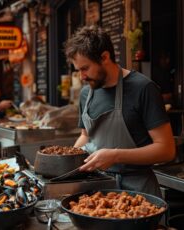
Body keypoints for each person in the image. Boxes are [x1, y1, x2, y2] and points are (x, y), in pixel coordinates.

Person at [66, 25, 175, 197]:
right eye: (78, 70)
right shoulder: (86, 93)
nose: (82, 77)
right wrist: (66, 160)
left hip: (138, 193)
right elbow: (86, 136)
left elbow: (166, 150)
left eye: (85, 68)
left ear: (105, 57)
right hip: (97, 190)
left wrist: (115, 155)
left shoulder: (143, 88)